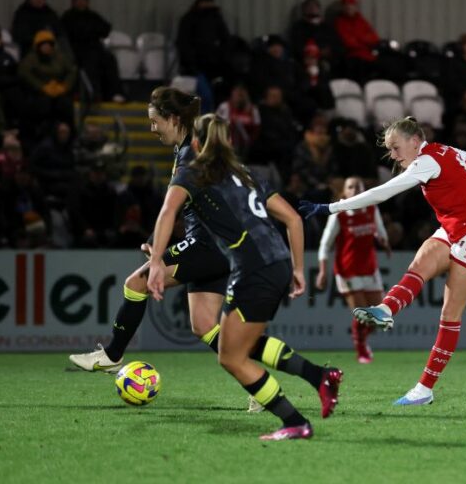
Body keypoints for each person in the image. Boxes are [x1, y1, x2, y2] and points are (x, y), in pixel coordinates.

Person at [68, 88, 339, 417]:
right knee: (205, 326)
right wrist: (159, 244)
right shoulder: (224, 165)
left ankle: (112, 355)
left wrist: (156, 259)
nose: (152, 129)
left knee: (135, 284)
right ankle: (272, 383)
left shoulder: (190, 161)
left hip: (212, 248)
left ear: (173, 120)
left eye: (155, 122)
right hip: (232, 253)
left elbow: (170, 211)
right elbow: (197, 211)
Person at [298, 116, 466, 405]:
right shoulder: (446, 151)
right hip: (453, 228)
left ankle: (424, 389)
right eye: (390, 150)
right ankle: (386, 309)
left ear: (414, 141)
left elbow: (380, 193)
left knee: (450, 314)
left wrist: (330, 207)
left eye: (396, 148)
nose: (395, 156)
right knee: (420, 262)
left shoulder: (426, 161)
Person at [147, 113, 342, 440]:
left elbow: (168, 212)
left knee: (231, 356)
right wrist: (296, 268)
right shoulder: (246, 174)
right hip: (275, 261)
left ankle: (295, 421)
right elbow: (293, 219)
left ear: (194, 142)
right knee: (237, 345)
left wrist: (156, 260)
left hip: (254, 269)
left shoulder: (192, 173)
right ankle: (319, 377)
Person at [315, 176, 390, 363]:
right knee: (363, 315)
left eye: (359, 186)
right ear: (345, 192)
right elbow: (325, 244)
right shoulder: (339, 214)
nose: (355, 190)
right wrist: (323, 271)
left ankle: (363, 340)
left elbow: (379, 230)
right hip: (348, 270)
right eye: (351, 187)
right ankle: (361, 349)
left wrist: (384, 241)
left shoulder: (372, 208)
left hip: (370, 268)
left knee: (380, 316)